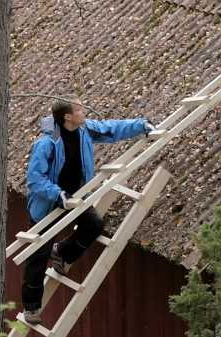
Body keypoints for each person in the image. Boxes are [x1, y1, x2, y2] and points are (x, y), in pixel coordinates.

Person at [22, 94, 155, 324]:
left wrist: (140, 125)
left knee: (93, 225)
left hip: (76, 197)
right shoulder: (46, 143)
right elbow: (34, 179)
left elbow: (110, 129)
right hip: (49, 202)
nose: (85, 112)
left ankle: (62, 252)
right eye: (80, 110)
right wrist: (58, 194)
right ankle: (31, 307)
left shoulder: (83, 130)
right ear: (68, 117)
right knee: (37, 257)